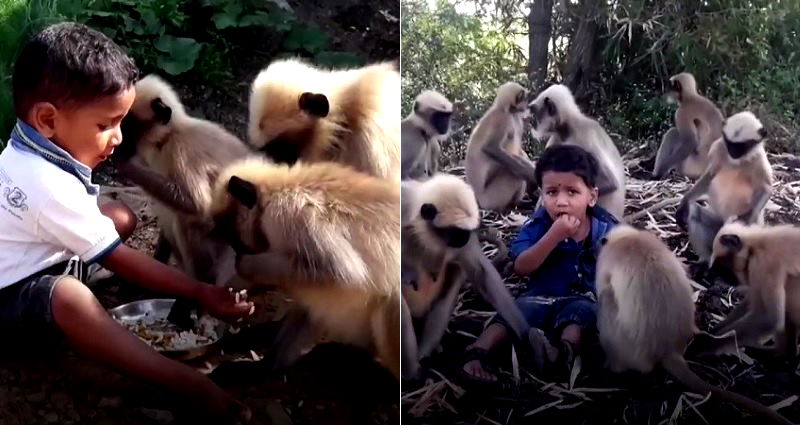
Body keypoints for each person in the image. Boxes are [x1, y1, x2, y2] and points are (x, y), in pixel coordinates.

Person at [0, 22, 253, 423]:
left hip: (29, 255)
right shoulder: (46, 186)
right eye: (105, 125)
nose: (117, 138)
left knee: (118, 215)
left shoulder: (29, 147)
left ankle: (81, 278)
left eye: (121, 123)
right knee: (70, 297)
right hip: (10, 301)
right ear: (48, 120)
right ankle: (182, 381)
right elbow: (122, 258)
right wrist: (200, 291)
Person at [461, 144, 619, 383]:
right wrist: (553, 236)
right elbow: (522, 266)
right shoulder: (538, 226)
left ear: (592, 197)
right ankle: (478, 351)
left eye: (572, 192)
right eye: (552, 192)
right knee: (513, 315)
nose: (561, 201)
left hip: (581, 297)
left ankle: (561, 354)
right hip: (538, 295)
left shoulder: (607, 228)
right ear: (541, 194)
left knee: (583, 317)